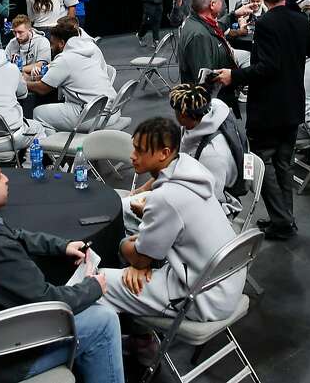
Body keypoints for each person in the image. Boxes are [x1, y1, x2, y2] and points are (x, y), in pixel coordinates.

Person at [0, 152, 122, 383]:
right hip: (0, 361)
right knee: (104, 321)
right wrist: (93, 287)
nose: (7, 179)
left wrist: (62, 246)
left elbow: (14, 236)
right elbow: (46, 301)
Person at [100, 118, 244, 324]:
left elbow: (140, 259)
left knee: (101, 283)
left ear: (164, 153)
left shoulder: (166, 198)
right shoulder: (190, 168)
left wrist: (123, 245)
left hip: (203, 297)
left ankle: (137, 342)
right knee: (136, 266)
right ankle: (141, 337)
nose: (132, 156)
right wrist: (141, 256)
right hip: (226, 282)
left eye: (140, 150)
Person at [217, 0, 310, 240]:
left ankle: (281, 219)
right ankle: (285, 218)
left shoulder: (267, 23)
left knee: (264, 162)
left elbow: (268, 68)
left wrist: (234, 76)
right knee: (284, 163)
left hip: (270, 107)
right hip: (293, 104)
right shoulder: (300, 20)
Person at [166, 83, 241, 216]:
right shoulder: (193, 123)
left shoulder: (212, 153)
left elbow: (210, 200)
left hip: (217, 207)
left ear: (182, 115)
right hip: (194, 186)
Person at [28, 23, 116, 133]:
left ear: (61, 43)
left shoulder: (65, 58)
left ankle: (54, 147)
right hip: (112, 110)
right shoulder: (87, 51)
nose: (51, 47)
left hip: (93, 115)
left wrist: (22, 83)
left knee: (38, 113)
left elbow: (42, 89)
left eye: (52, 43)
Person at [176, 0, 241, 113]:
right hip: (209, 108)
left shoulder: (196, 22)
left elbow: (214, 29)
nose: (222, 3)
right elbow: (204, 80)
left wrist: (233, 15)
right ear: (212, 5)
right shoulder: (199, 36)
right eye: (220, 0)